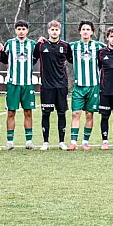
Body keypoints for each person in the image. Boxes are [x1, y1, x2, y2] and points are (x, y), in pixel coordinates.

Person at [34, 21, 73, 150]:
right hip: (46, 85)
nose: (54, 32)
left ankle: (61, 142)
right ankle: (45, 142)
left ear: (60, 31)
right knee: (46, 113)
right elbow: (33, 58)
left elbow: (72, 60)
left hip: (61, 85)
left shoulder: (65, 46)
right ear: (48, 31)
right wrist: (36, 42)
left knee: (61, 113)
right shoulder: (40, 45)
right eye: (52, 29)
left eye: (57, 29)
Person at [68, 21, 106, 150]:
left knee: (89, 114)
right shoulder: (72, 46)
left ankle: (85, 142)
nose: (85, 31)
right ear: (79, 31)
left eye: (88, 29)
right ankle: (73, 142)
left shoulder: (99, 46)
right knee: (76, 113)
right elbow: (57, 46)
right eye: (83, 29)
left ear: (92, 32)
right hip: (79, 86)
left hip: (93, 86)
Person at [4, 20, 38, 150]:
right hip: (13, 84)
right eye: (19, 29)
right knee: (11, 112)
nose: (21, 31)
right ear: (15, 30)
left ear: (27, 30)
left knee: (28, 112)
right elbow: (2, 55)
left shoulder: (32, 45)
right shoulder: (10, 44)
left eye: (24, 29)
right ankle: (10, 141)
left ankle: (29, 141)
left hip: (27, 84)